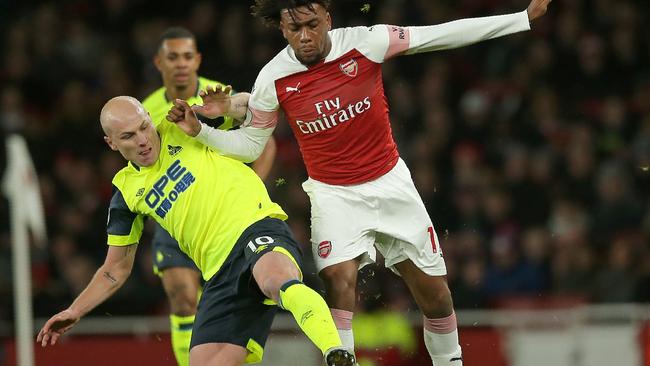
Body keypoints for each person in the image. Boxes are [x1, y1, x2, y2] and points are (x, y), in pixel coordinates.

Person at [167, 0, 551, 364]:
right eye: (294, 28)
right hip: (333, 196)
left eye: (312, 25)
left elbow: (441, 34)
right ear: (282, 29)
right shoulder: (273, 78)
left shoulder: (367, 42)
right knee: (338, 279)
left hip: (390, 184)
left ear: (328, 19)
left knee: (436, 298)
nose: (304, 36)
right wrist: (200, 130)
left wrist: (521, 18)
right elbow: (251, 145)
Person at [36, 96, 356, 366]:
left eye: (144, 127)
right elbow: (115, 267)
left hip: (255, 227)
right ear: (111, 143)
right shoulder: (126, 193)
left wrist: (226, 106)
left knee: (276, 279)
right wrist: (75, 310)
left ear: (150, 117)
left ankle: (337, 352)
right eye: (129, 136)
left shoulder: (183, 122)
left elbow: (258, 107)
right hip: (218, 272)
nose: (144, 139)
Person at [142, 26, 277, 366]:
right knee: (183, 297)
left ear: (198, 59)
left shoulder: (219, 98)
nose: (181, 64)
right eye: (173, 57)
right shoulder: (145, 112)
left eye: (188, 56)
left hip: (228, 219)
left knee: (235, 300)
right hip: (179, 221)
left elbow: (265, 141)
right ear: (159, 62)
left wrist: (249, 189)